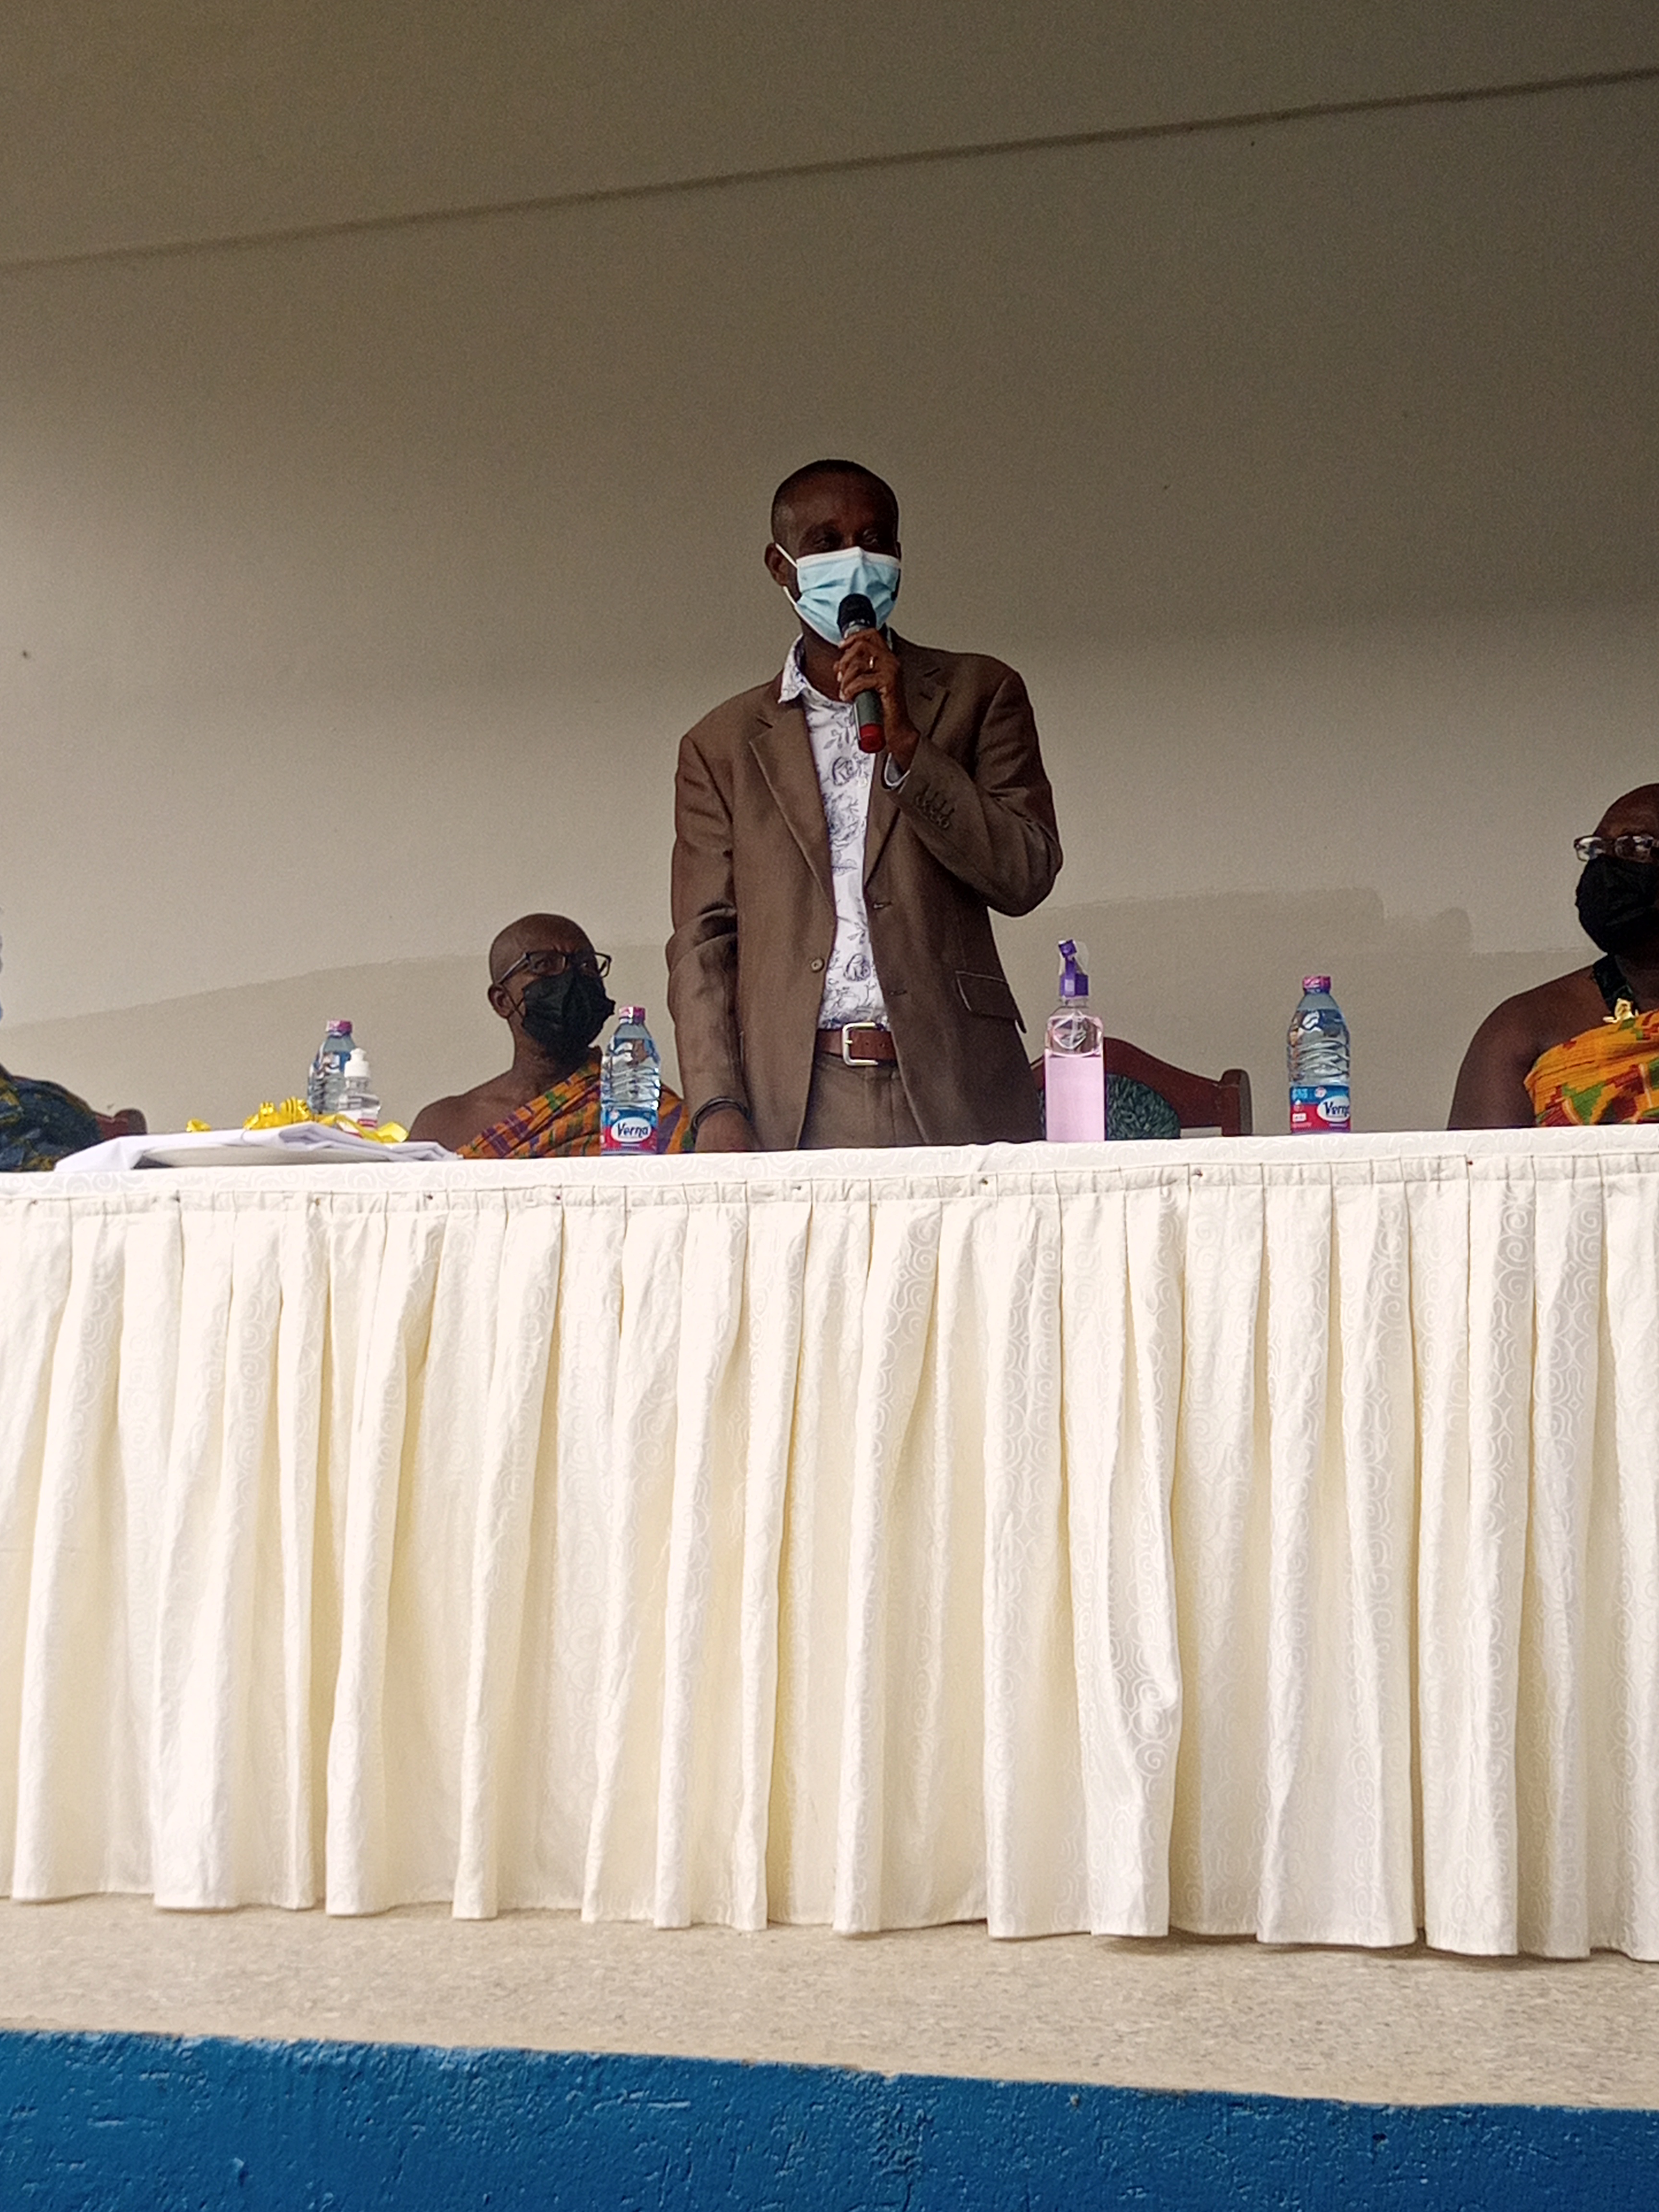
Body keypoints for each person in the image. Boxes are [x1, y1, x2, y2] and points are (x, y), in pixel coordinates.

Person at [668, 459, 1061, 1152]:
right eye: (826, 542)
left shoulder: (980, 693)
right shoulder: (721, 745)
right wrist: (717, 1104)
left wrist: (910, 746)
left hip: (957, 1082)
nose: (855, 560)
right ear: (782, 567)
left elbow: (1025, 873)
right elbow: (704, 942)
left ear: (899, 560)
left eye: (874, 540)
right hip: (797, 1095)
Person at [1451, 784, 1659, 1127]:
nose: (1606, 866)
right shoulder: (1522, 1029)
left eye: (1633, 847)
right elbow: (1479, 1162)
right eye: (1595, 849)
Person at [409, 914, 692, 1155]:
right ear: (502, 1001)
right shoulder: (442, 1126)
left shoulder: (642, 1111)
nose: (572, 978)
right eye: (544, 965)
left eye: (587, 965)